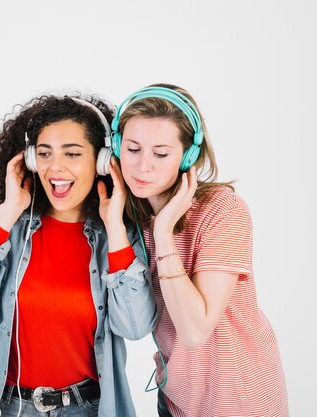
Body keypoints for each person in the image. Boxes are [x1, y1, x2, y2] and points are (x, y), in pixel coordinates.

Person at [0, 94, 156, 417]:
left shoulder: (116, 238)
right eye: (44, 153)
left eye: (72, 153)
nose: (56, 167)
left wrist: (114, 227)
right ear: (29, 160)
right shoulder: (7, 228)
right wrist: (9, 211)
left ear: (101, 161)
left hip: (89, 409)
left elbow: (135, 327)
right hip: (12, 408)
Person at [112, 84, 289, 416]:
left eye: (161, 153)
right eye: (132, 149)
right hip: (175, 396)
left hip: (240, 398)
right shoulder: (126, 216)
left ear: (189, 156)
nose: (142, 166)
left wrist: (164, 232)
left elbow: (195, 330)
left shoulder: (223, 210)